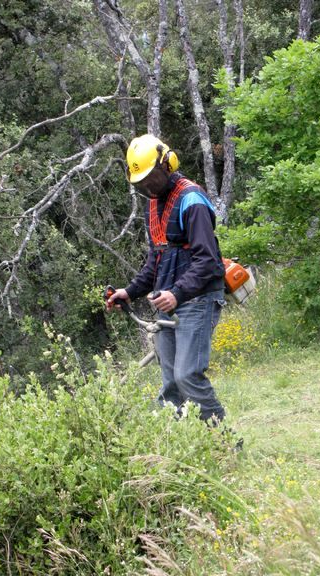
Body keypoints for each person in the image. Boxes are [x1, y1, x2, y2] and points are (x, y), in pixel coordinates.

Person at [107, 134, 226, 425]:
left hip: (197, 299)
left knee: (187, 375)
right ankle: (172, 450)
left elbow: (208, 261)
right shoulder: (154, 205)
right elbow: (156, 260)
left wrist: (178, 294)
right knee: (171, 382)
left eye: (151, 179)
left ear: (167, 165)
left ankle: (225, 443)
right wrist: (130, 292)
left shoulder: (192, 201)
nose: (147, 187)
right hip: (168, 300)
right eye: (141, 183)